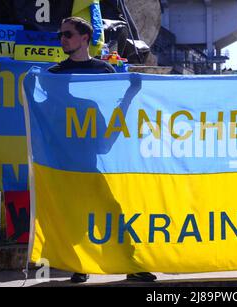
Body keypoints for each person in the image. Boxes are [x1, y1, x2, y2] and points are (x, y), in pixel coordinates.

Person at [48, 16, 156, 283]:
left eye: (68, 34)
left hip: (91, 159)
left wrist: (129, 96)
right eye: (60, 35)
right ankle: (80, 266)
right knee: (75, 217)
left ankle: (132, 264)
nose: (63, 39)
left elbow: (112, 119)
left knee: (112, 214)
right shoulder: (54, 75)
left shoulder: (103, 72)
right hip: (64, 162)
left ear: (85, 38)